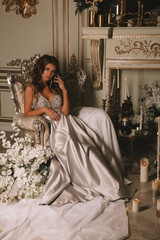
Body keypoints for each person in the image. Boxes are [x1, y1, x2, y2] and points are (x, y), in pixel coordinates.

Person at [24, 54, 133, 206]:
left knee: (88, 146)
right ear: (41, 69)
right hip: (52, 125)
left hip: (67, 121)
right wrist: (44, 109)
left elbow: (66, 111)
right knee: (69, 144)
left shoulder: (55, 87)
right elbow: (27, 112)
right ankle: (93, 182)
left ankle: (106, 183)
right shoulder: (31, 88)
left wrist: (64, 90)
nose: (49, 73)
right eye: (47, 69)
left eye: (53, 71)